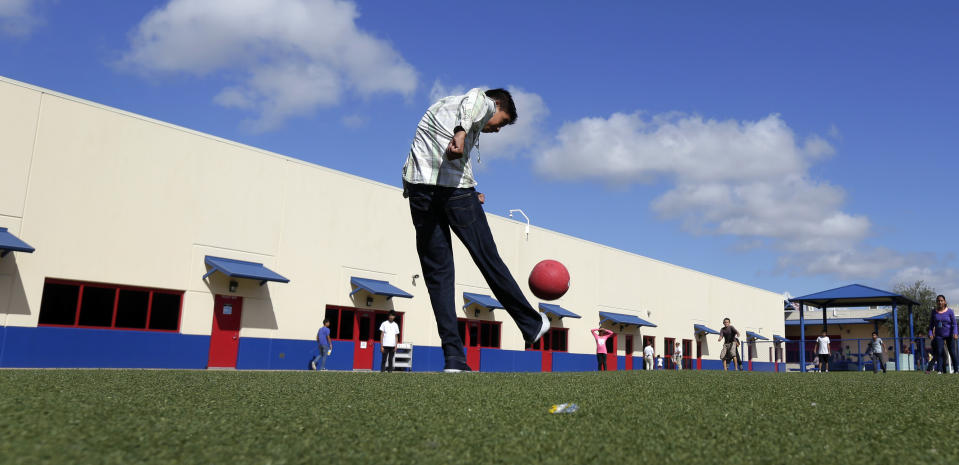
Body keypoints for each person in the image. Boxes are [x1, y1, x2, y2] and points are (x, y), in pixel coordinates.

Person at [402, 88, 549, 373]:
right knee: (488, 258)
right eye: (502, 122)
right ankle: (531, 324)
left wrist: (473, 192)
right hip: (453, 193)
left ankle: (454, 359)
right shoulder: (478, 103)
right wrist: (460, 133)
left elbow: (443, 156)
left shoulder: (443, 107)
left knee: (438, 276)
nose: (498, 130)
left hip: (421, 190)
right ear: (496, 106)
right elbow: (473, 102)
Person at [927, 294, 958, 374]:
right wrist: (930, 333)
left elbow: (954, 324)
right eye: (938, 301)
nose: (940, 302)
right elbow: (931, 325)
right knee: (939, 352)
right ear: (936, 302)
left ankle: (956, 370)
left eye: (941, 300)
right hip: (939, 336)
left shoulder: (950, 311)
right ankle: (940, 370)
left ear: (944, 302)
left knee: (952, 352)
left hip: (949, 335)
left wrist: (955, 332)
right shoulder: (934, 312)